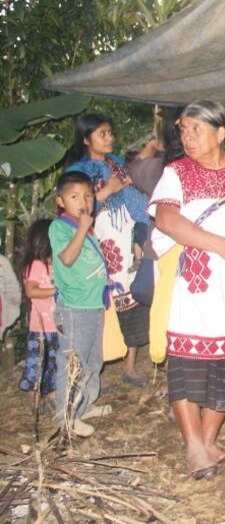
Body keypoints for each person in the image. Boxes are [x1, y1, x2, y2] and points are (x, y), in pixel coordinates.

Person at [148, 100, 225, 480]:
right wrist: (218, 243)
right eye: (183, 129)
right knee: (187, 363)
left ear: (221, 132)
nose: (187, 137)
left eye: (196, 128)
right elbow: (166, 219)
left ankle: (209, 439)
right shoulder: (176, 173)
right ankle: (193, 447)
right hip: (190, 289)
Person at [66, 113, 150, 386]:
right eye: (103, 133)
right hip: (99, 243)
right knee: (103, 304)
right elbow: (76, 212)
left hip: (126, 238)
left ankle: (130, 367)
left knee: (133, 297)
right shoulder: (77, 174)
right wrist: (108, 191)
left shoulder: (119, 164)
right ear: (86, 138)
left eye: (111, 132)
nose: (110, 137)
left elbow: (137, 200)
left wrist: (141, 235)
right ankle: (95, 373)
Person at [49, 171, 108, 438]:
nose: (83, 201)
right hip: (74, 309)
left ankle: (84, 406)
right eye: (75, 196)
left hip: (93, 305)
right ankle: (66, 417)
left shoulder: (86, 228)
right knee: (74, 362)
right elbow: (68, 259)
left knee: (93, 360)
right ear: (61, 201)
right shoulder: (60, 227)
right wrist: (83, 228)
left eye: (88, 195)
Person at [17, 219, 58, 411]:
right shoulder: (36, 265)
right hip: (40, 327)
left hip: (55, 326)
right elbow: (31, 291)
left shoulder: (52, 264)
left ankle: (51, 397)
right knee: (38, 365)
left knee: (53, 364)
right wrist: (56, 291)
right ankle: (35, 401)